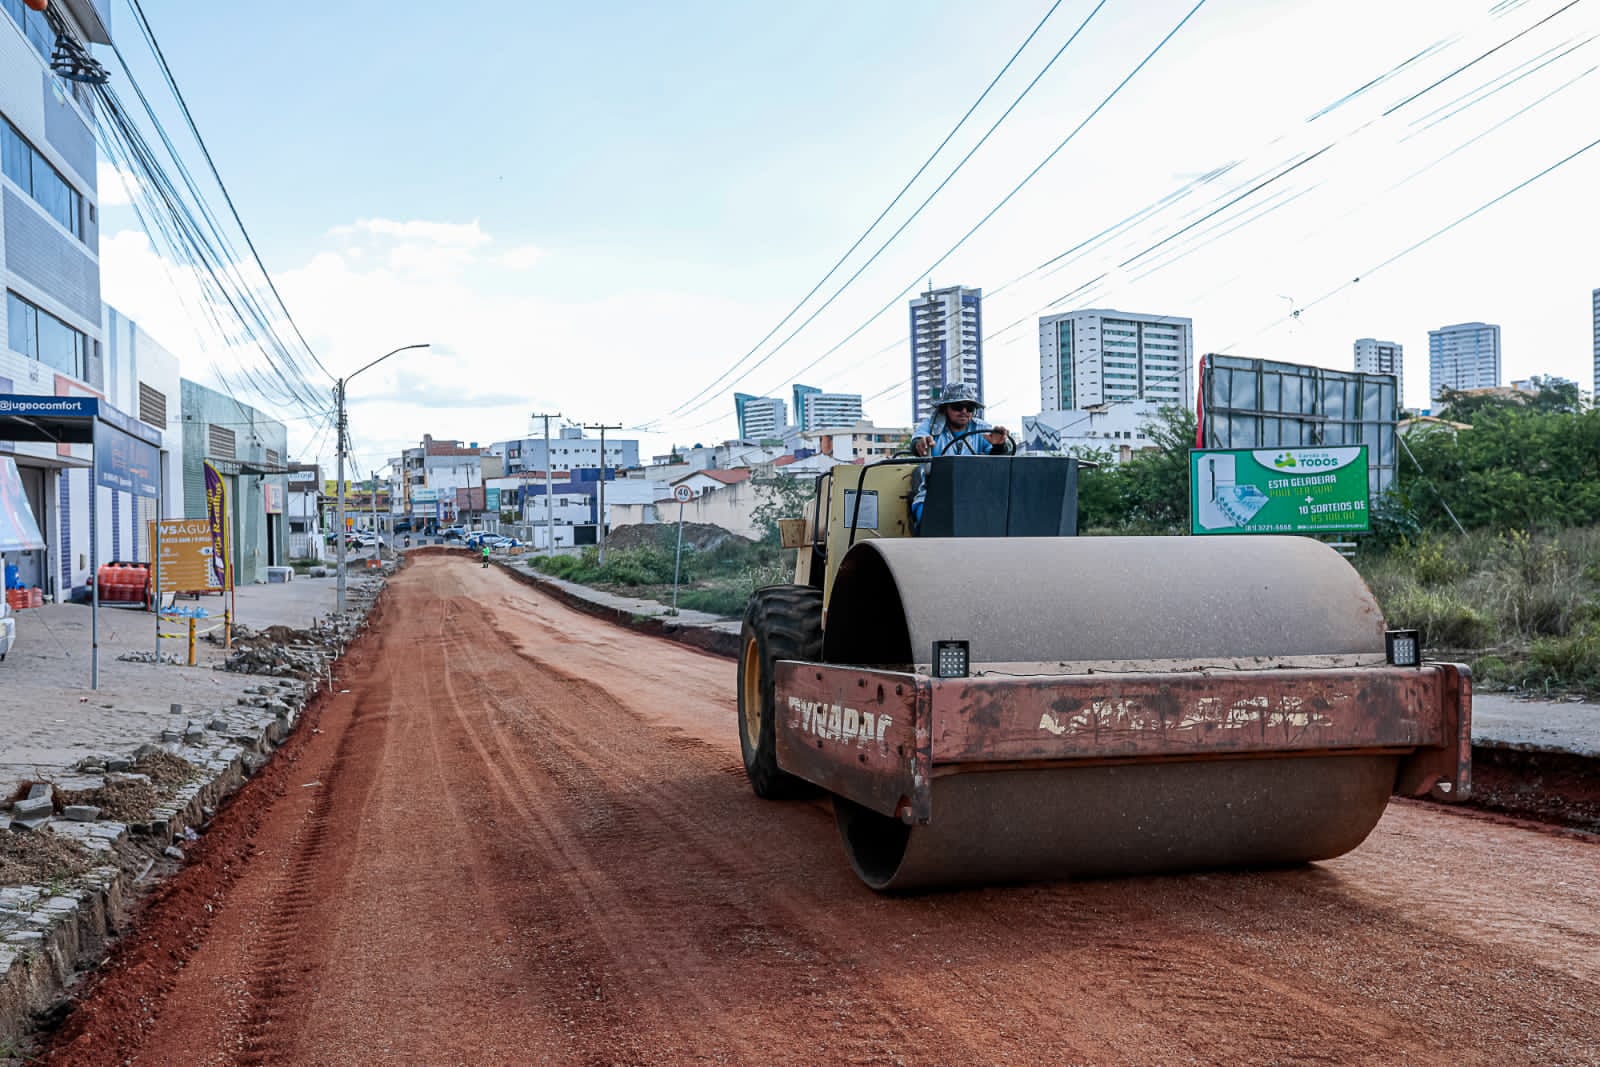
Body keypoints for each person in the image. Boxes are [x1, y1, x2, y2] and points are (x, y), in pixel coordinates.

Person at [909, 382, 1013, 528]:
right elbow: (917, 441)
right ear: (945, 409)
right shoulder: (931, 426)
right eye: (957, 407)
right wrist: (920, 444)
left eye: (969, 408)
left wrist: (999, 445)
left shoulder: (982, 429)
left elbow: (996, 459)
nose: (964, 411)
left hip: (975, 493)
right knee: (927, 519)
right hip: (934, 492)